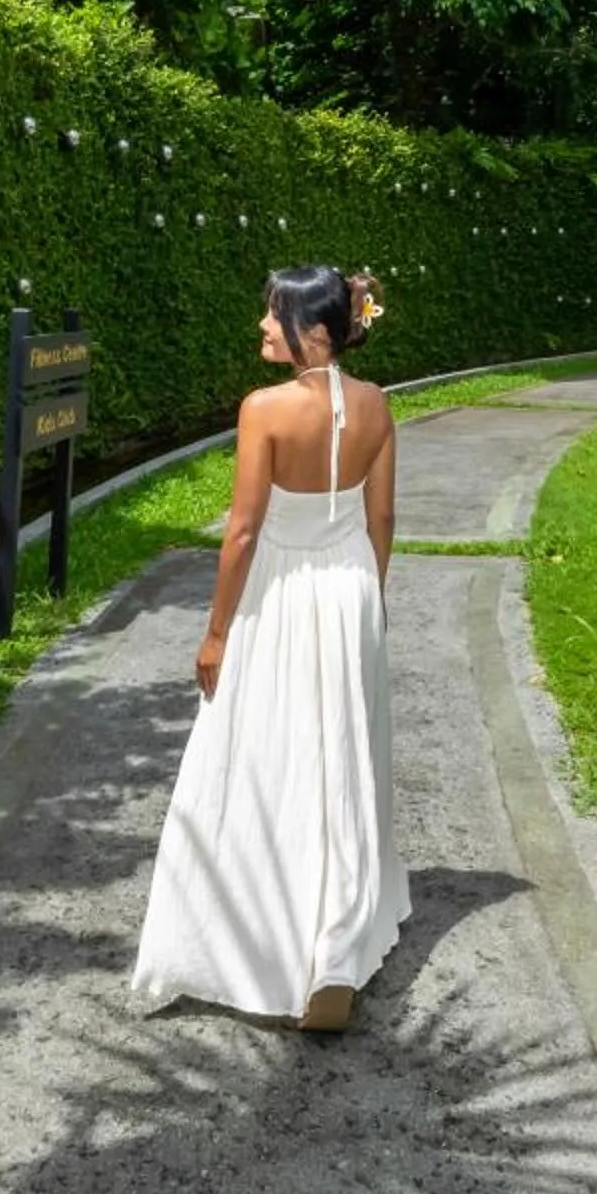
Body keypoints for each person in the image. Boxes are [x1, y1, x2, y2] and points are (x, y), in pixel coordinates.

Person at [129, 264, 408, 1031]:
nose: (261, 325)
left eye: (273, 314)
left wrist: (217, 631)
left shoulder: (264, 409)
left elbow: (244, 530)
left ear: (312, 332)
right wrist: (369, 597)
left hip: (281, 592)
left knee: (260, 752)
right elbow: (382, 519)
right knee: (342, 757)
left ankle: (262, 934)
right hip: (350, 587)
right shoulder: (378, 404)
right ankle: (335, 948)